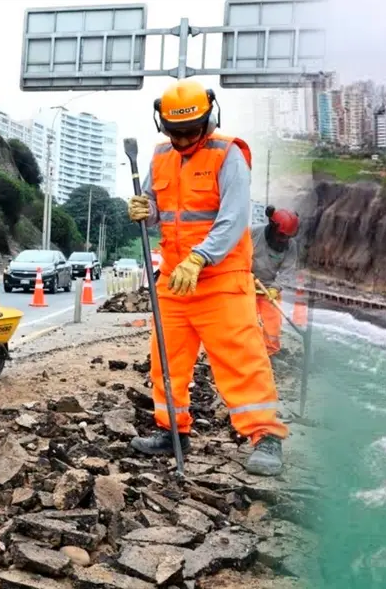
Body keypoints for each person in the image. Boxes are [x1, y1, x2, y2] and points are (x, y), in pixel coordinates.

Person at [127, 79, 287, 476]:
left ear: (209, 119)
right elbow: (157, 212)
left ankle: (266, 436)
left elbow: (233, 219)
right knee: (167, 360)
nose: (182, 140)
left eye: (190, 132)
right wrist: (143, 210)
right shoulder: (161, 155)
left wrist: (199, 258)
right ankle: (172, 431)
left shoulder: (228, 154)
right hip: (175, 280)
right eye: (174, 132)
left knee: (241, 359)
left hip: (219, 278)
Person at [251, 205, 300, 356]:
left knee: (272, 326)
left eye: (287, 237)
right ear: (272, 227)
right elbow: (236, 254)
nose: (283, 240)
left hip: (269, 289)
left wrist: (275, 288)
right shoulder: (252, 233)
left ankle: (270, 352)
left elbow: (287, 271)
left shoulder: (291, 246)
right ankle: (244, 352)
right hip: (245, 285)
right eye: (281, 236)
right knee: (245, 322)